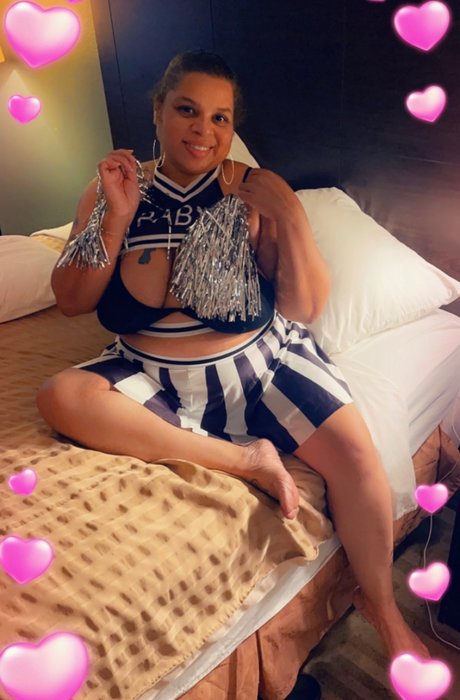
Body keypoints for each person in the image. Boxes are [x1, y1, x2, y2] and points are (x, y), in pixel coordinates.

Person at [37, 50, 428, 662]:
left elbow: (304, 306)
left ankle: (384, 611)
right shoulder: (112, 189)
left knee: (357, 456)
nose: (204, 130)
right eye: (187, 110)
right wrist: (115, 218)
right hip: (152, 375)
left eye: (220, 118)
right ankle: (246, 459)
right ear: (157, 110)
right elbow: (70, 300)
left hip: (262, 367)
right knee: (61, 396)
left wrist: (289, 212)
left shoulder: (248, 192)